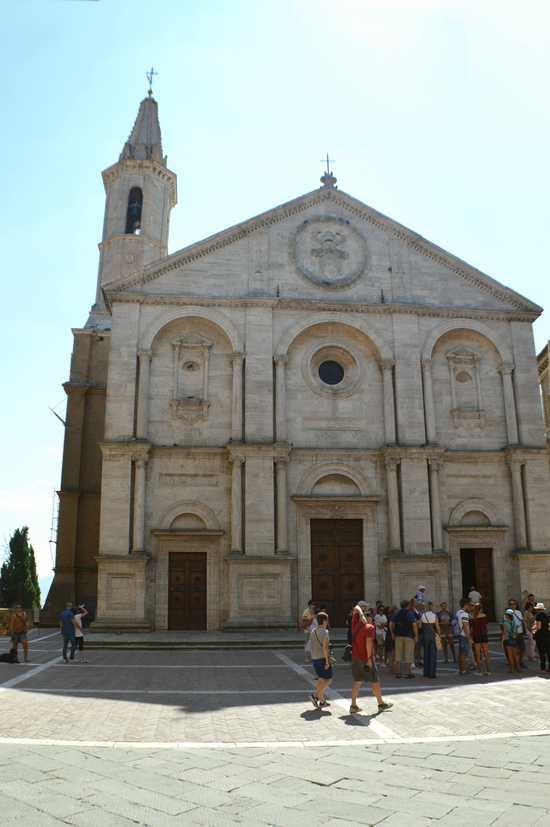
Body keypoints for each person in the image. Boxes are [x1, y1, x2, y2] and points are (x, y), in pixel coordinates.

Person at [350, 602, 393, 714]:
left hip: (355, 657)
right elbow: (369, 644)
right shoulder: (370, 628)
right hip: (366, 658)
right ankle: (380, 703)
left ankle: (353, 705)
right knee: (375, 680)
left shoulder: (355, 625)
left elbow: (356, 607)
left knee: (357, 680)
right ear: (370, 618)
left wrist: (361, 614)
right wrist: (369, 659)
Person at [308, 611, 333, 708]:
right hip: (322, 658)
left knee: (321, 679)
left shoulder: (313, 631)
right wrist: (327, 661)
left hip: (315, 658)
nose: (327, 622)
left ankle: (322, 701)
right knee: (328, 679)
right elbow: (325, 648)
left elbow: (311, 645)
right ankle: (315, 695)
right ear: (324, 621)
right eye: (327, 620)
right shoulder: (325, 632)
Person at [390, 599, 418, 679]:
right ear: (408, 605)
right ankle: (408, 673)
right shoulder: (410, 613)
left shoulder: (397, 613)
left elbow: (391, 623)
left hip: (398, 636)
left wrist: (392, 633)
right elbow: (414, 625)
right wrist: (416, 636)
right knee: (408, 655)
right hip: (408, 636)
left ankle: (398, 673)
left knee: (398, 655)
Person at [419, 605, 440, 678]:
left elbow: (420, 626)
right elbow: (437, 627)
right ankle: (432, 673)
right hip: (432, 636)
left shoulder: (423, 615)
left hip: (425, 636)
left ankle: (426, 673)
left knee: (426, 654)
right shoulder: (434, 615)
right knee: (433, 655)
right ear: (431, 608)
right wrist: (439, 635)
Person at [470, 603, 491, 675]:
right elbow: (486, 626)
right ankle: (488, 670)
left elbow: (471, 628)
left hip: (476, 636)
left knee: (478, 654)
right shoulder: (484, 615)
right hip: (484, 635)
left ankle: (479, 671)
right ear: (481, 608)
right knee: (486, 654)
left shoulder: (472, 617)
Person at [453, 599, 472, 675]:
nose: (470, 607)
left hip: (460, 634)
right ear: (466, 605)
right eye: (469, 605)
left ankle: (461, 669)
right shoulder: (464, 614)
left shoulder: (458, 612)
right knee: (464, 653)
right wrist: (469, 637)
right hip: (464, 635)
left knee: (461, 653)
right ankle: (464, 669)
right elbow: (465, 626)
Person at [508, 599, 527, 669]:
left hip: (520, 633)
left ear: (516, 605)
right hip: (513, 634)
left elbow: (521, 621)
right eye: (511, 604)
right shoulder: (507, 613)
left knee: (523, 648)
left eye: (514, 604)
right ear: (509, 605)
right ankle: (515, 664)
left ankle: (520, 661)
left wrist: (524, 630)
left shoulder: (518, 612)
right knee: (515, 650)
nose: (513, 605)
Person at [502, 608, 522, 673]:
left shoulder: (505, 623)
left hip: (508, 639)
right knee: (515, 655)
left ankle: (512, 669)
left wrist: (502, 640)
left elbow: (505, 632)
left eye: (506, 614)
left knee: (510, 655)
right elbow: (516, 631)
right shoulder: (514, 623)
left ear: (507, 615)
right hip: (514, 638)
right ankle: (518, 668)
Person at [534, 602, 550, 672]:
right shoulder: (547, 615)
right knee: (549, 652)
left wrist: (534, 632)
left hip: (541, 635)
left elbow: (538, 627)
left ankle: (543, 668)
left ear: (538, 609)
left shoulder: (538, 616)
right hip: (548, 634)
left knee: (541, 652)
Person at [301, 599, 317, 664]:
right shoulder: (306, 612)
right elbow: (305, 622)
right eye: (312, 605)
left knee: (314, 645)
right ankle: (306, 658)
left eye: (314, 605)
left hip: (314, 631)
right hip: (308, 631)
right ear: (309, 605)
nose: (313, 606)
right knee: (307, 644)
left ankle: (313, 657)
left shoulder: (315, 612)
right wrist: (312, 618)